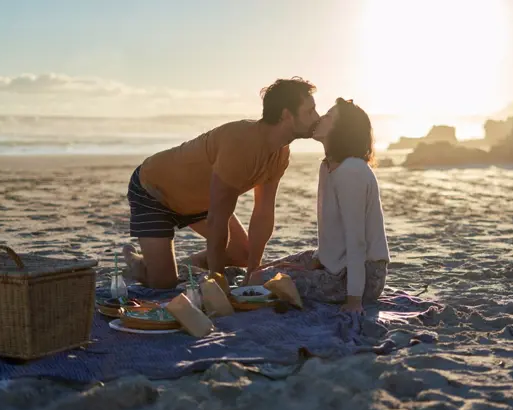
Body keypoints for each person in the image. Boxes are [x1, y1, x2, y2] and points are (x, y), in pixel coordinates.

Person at [122, 77, 320, 289]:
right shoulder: (241, 144)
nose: (317, 117)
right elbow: (218, 219)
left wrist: (253, 273)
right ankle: (138, 263)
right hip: (154, 192)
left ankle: (183, 264)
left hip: (202, 200)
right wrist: (218, 280)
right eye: (310, 111)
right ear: (286, 115)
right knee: (163, 284)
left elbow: (263, 212)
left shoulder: (280, 152)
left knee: (242, 254)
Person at [249, 98, 390, 313]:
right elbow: (334, 235)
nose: (320, 119)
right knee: (260, 272)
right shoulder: (328, 166)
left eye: (328, 117)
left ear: (342, 130)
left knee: (260, 280)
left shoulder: (352, 171)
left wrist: (354, 300)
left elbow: (357, 242)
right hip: (335, 263)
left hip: (364, 276)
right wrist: (317, 261)